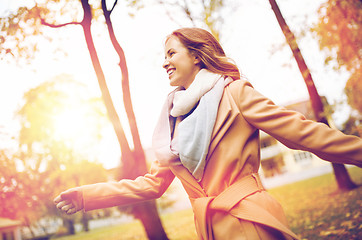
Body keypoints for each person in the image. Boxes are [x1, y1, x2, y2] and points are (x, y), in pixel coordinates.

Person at [54, 27, 362, 240]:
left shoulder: (236, 93)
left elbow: (305, 134)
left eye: (172, 54)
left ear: (197, 56)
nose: (165, 62)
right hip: (210, 229)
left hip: (251, 219)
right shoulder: (172, 121)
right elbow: (151, 185)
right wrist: (87, 196)